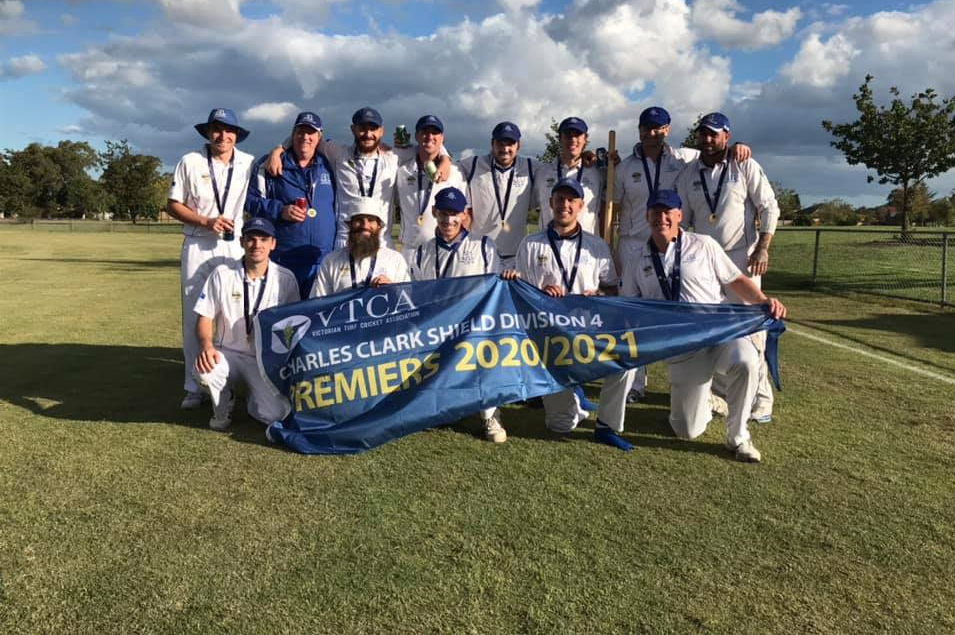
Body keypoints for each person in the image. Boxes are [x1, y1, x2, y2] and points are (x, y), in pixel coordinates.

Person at [618, 189, 787, 462]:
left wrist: (764, 301)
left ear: (679, 215)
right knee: (687, 430)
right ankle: (707, 399)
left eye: (668, 212)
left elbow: (735, 280)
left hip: (720, 332)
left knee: (746, 362)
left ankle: (738, 437)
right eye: (655, 212)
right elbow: (629, 305)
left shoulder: (703, 244)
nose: (661, 218)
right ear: (647, 216)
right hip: (682, 347)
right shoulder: (637, 258)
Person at [613, 106, 751, 404]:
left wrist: (737, 147)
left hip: (675, 245)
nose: (652, 133)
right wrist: (600, 161)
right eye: (646, 127)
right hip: (634, 244)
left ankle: (703, 384)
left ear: (667, 130)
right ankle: (635, 384)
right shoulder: (624, 167)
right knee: (635, 314)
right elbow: (611, 204)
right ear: (639, 129)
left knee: (689, 307)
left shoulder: (684, 157)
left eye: (658, 128)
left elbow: (714, 152)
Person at [503, 178, 634, 451]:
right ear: (551, 203)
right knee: (560, 425)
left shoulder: (596, 246)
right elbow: (522, 292)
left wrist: (597, 295)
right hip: (552, 339)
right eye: (559, 199)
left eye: (571, 200)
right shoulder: (531, 243)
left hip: (589, 332)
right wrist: (538, 292)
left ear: (581, 206)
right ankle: (574, 399)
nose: (565, 205)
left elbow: (612, 289)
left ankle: (607, 425)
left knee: (628, 359)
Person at [674, 112, 780, 423]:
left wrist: (763, 247)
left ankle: (761, 401)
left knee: (752, 329)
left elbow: (769, 206)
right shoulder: (689, 173)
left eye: (714, 134)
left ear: (727, 136)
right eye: (703, 134)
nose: (708, 140)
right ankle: (722, 395)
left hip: (741, 258)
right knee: (714, 328)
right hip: (705, 260)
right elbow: (683, 220)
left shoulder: (743, 164)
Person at [167, 108, 255, 409]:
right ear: (208, 132)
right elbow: (173, 204)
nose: (222, 135)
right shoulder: (190, 161)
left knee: (235, 313)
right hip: (199, 244)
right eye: (217, 129)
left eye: (229, 130)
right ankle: (194, 385)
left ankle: (234, 380)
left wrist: (280, 150)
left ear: (236, 135)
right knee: (195, 315)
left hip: (234, 246)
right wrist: (206, 221)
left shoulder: (248, 162)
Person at [409, 186, 506, 442]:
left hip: (475, 324)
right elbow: (417, 295)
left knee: (485, 356)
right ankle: (441, 407)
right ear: (434, 212)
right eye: (443, 213)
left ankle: (490, 416)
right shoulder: (421, 252)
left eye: (454, 214)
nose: (448, 220)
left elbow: (495, 289)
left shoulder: (483, 246)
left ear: (464, 215)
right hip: (436, 327)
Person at [193, 217, 300, 432]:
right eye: (251, 239)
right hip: (227, 353)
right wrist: (207, 346)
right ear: (242, 242)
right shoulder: (222, 274)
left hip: (263, 360)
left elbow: (294, 324)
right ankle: (225, 403)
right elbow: (204, 316)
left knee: (275, 415)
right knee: (205, 372)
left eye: (263, 239)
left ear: (273, 244)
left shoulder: (286, 278)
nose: (256, 245)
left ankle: (253, 397)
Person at [246, 111, 336, 298]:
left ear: (319, 136)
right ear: (293, 134)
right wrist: (280, 210)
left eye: (311, 132)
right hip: (284, 259)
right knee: (283, 313)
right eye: (300, 132)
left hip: (322, 260)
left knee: (318, 314)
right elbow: (250, 201)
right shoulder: (268, 165)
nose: (305, 137)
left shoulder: (331, 163)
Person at [462, 121, 539, 269]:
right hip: (480, 255)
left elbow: (557, 169)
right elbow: (447, 166)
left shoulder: (531, 167)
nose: (505, 149)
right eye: (500, 143)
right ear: (492, 143)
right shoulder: (472, 165)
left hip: (515, 257)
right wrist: (444, 158)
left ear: (518, 145)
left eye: (510, 144)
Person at [394, 115, 468, 265]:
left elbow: (466, 214)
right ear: (416, 136)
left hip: (442, 250)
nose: (429, 136)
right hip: (409, 252)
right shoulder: (401, 170)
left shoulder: (455, 172)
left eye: (435, 133)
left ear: (442, 138)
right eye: (425, 132)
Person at [311, 198, 410, 297]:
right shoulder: (331, 261)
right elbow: (318, 302)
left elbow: (407, 300)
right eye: (359, 220)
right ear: (350, 225)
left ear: (379, 226)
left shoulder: (395, 260)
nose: (365, 225)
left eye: (371, 220)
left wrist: (393, 289)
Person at [534, 116, 603, 235]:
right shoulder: (542, 172)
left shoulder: (599, 172)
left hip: (585, 244)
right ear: (560, 138)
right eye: (568, 135)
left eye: (577, 135)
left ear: (585, 139)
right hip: (547, 243)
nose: (573, 139)